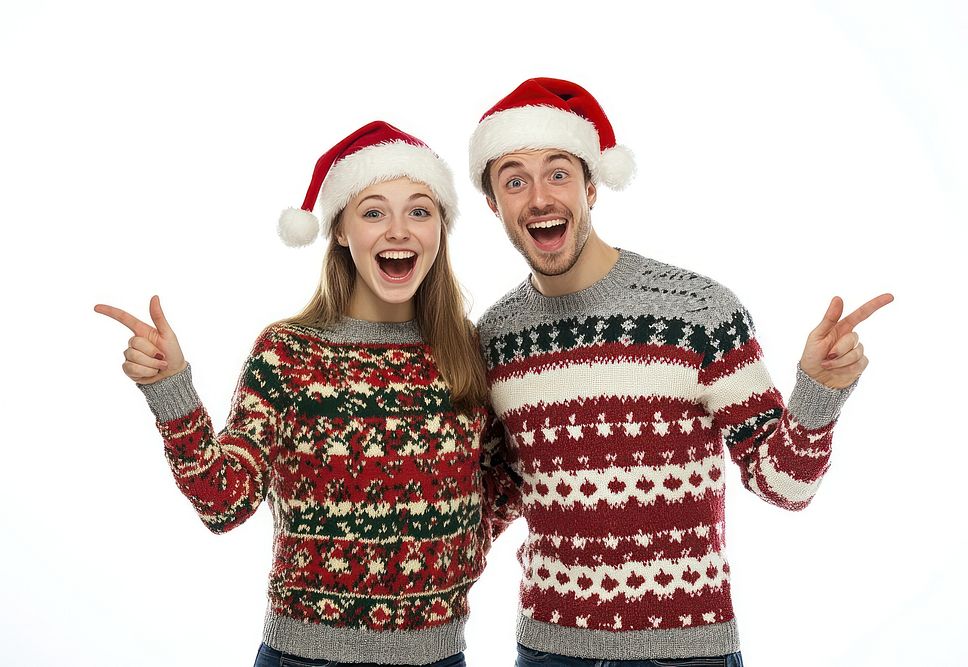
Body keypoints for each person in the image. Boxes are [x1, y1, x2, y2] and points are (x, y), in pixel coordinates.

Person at [468, 78, 893, 666]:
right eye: (514, 180)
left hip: (688, 653)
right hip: (547, 651)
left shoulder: (696, 312)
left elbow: (786, 485)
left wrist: (818, 393)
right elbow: (490, 506)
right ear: (494, 204)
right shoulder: (493, 338)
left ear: (592, 184)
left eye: (559, 172)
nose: (539, 197)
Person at [94, 120, 518, 667]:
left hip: (438, 656)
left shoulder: (466, 353)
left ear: (441, 227)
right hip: (304, 657)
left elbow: (504, 480)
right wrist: (170, 389)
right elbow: (224, 503)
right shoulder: (289, 352)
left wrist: (461, 550)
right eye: (372, 212)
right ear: (340, 231)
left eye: (419, 210)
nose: (398, 230)